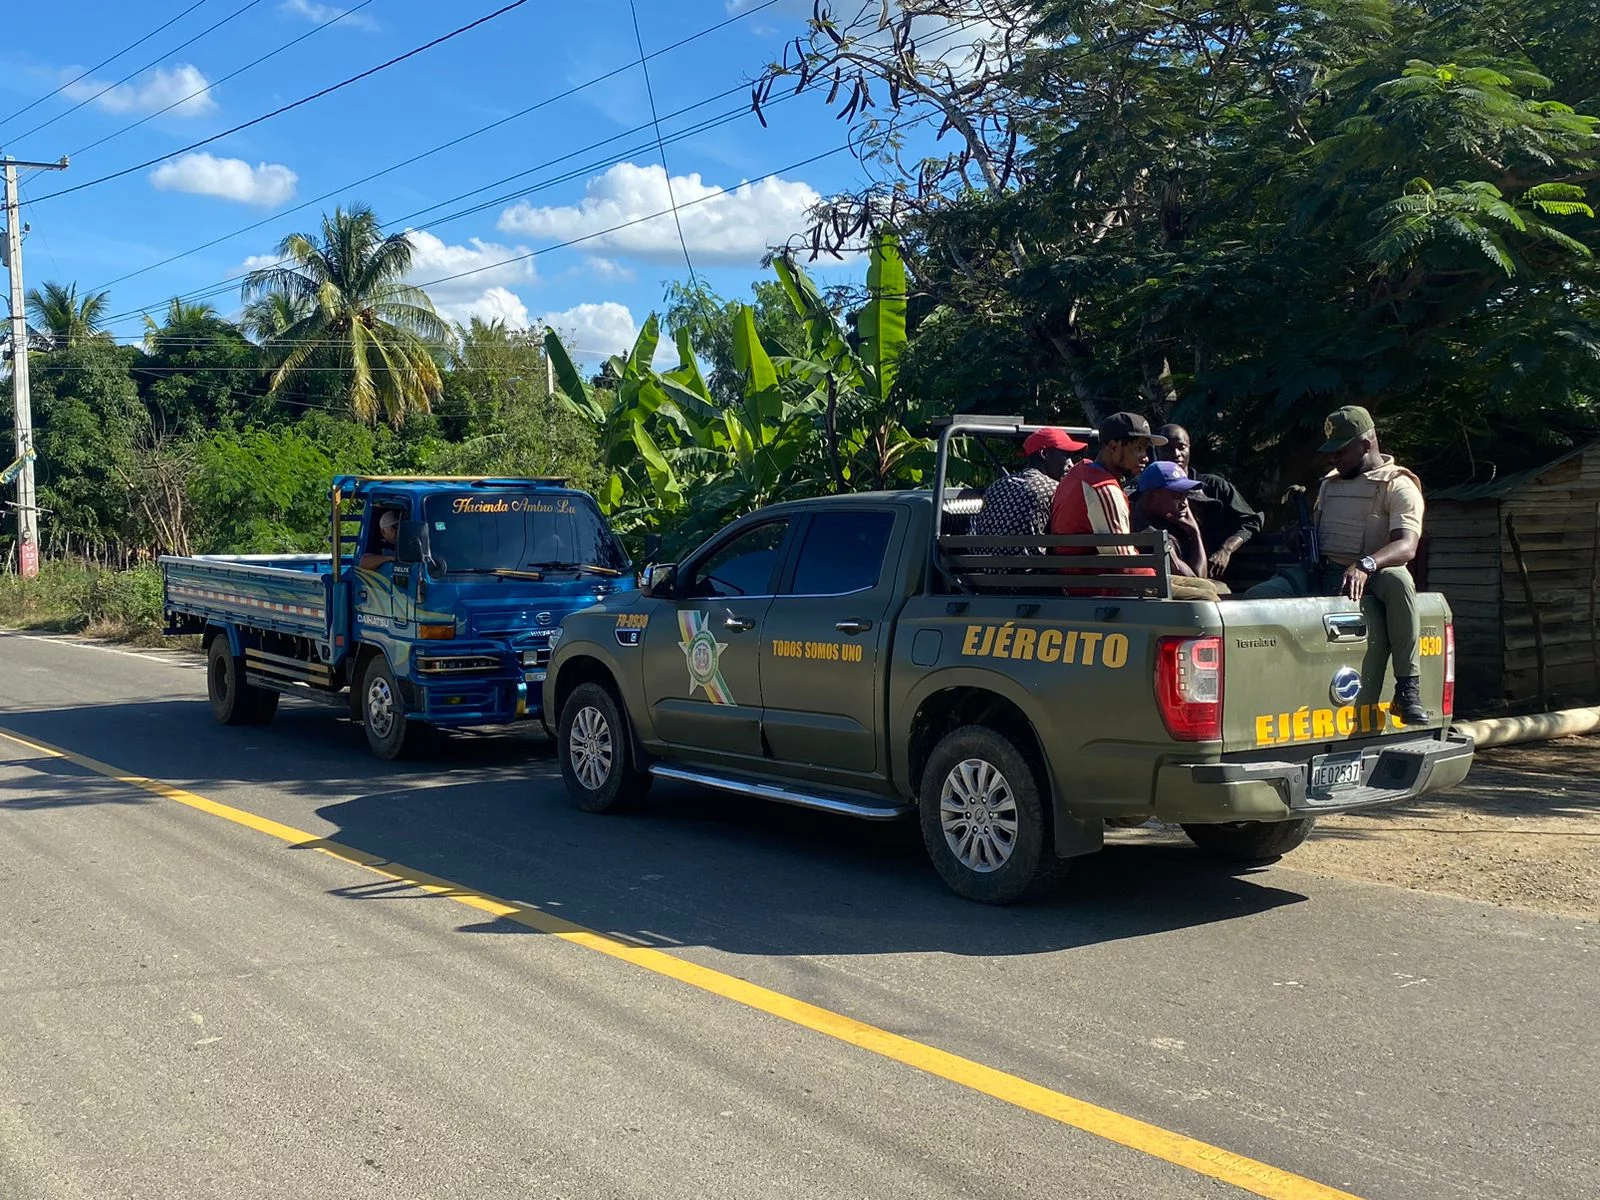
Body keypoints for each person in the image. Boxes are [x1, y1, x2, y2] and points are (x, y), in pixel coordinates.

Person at [1244, 405, 1429, 724]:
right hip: (1324, 570)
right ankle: (1263, 696)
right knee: (1256, 601)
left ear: (1366, 444)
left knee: (1401, 583)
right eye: (1331, 451)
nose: (1333, 458)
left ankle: (1407, 690)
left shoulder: (1397, 485)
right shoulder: (1330, 485)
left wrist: (1366, 564)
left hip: (1374, 575)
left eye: (1341, 451)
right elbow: (1323, 533)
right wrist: (1297, 537)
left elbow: (1406, 545)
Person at [1049, 412, 1164, 580]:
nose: (1145, 458)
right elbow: (1125, 565)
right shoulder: (1103, 488)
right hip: (1098, 585)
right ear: (1113, 446)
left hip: (1082, 578)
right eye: (1138, 448)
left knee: (1206, 587)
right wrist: (1159, 577)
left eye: (1145, 449)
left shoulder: (1079, 473)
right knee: (1206, 593)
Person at [1155, 424, 1262, 579]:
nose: (1176, 453)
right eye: (1167, 449)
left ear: (1189, 448)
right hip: (1173, 578)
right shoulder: (1149, 490)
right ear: (1156, 451)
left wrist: (1226, 549)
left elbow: (1250, 522)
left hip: (1214, 578)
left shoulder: (1215, 487)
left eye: (1181, 447)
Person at [971, 426, 1088, 558]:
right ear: (1043, 454)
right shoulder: (1055, 489)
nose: (1071, 464)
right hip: (1031, 574)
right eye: (1066, 455)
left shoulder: (997, 485)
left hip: (984, 573)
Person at [1130, 460, 1208, 578]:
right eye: (1177, 496)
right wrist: (1195, 532)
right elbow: (1198, 580)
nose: (1184, 504)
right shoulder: (1151, 535)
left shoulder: (1144, 516)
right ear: (1151, 496)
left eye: (1185, 496)